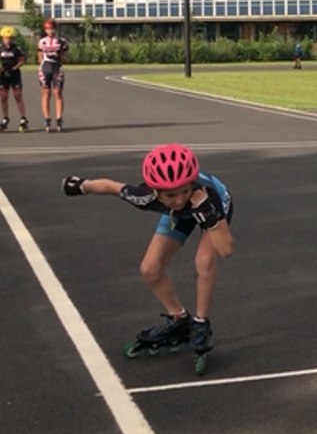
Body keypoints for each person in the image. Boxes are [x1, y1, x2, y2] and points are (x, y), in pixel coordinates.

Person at [61, 144, 234, 359]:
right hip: (182, 215)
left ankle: (201, 323)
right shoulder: (144, 196)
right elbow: (110, 187)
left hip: (211, 209)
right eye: (171, 195)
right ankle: (179, 319)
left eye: (185, 191)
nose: (180, 199)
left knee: (204, 261)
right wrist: (82, 186)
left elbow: (226, 249)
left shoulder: (205, 197)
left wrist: (207, 214)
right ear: (155, 192)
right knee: (150, 269)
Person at [36, 18, 69, 133]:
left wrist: (61, 57)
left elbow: (65, 57)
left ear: (55, 29)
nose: (50, 31)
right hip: (45, 68)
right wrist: (40, 69)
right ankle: (47, 118)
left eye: (52, 29)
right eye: (48, 29)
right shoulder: (42, 41)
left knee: (58, 92)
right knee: (46, 93)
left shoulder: (62, 41)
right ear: (45, 30)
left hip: (57, 68)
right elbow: (40, 57)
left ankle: (59, 118)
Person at [0, 26, 30, 132]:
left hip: (14, 75)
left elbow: (22, 60)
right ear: (2, 38)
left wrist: (14, 68)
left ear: (13, 38)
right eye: (6, 38)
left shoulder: (17, 48)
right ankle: (5, 118)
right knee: (3, 97)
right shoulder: (0, 48)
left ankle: (23, 118)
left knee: (17, 96)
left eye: (10, 38)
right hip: (3, 75)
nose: (8, 40)